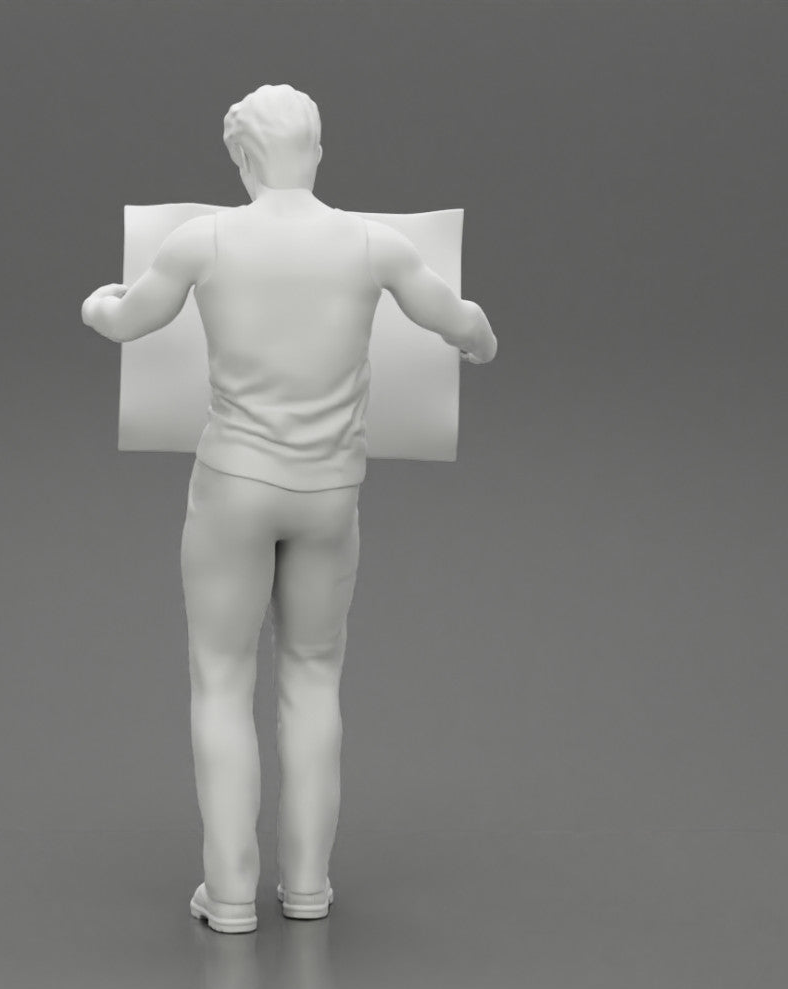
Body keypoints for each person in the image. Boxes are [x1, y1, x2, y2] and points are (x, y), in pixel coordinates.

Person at [81, 83, 497, 934]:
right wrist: (478, 342)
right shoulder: (374, 245)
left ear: (241, 159)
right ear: (318, 152)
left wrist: (94, 301)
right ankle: (308, 887)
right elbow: (464, 322)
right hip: (331, 494)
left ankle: (230, 893)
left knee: (221, 679)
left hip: (231, 487)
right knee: (313, 678)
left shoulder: (202, 241)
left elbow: (123, 323)